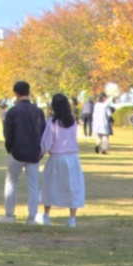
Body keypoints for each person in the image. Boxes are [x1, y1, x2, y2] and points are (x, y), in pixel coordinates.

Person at [0, 80, 45, 224]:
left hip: (17, 151)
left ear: (16, 94)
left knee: (12, 182)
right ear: (28, 92)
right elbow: (43, 131)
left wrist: (9, 148)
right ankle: (32, 217)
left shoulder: (13, 111)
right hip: (34, 152)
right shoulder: (38, 111)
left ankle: (9, 215)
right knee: (33, 185)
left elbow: (8, 132)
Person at [37, 93, 85, 227]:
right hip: (72, 158)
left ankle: (46, 215)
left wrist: (40, 153)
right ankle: (72, 219)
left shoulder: (52, 122)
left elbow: (47, 141)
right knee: (73, 186)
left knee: (50, 185)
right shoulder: (73, 122)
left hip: (57, 157)